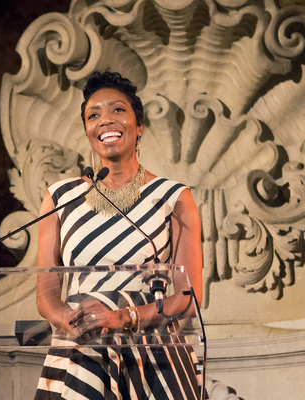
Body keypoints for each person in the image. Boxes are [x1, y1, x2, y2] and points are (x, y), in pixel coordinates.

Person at [34, 70, 204, 399]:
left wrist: (121, 317)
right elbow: (46, 295)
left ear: (139, 126)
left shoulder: (173, 197)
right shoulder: (58, 198)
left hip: (151, 356)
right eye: (93, 115)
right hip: (82, 349)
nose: (105, 121)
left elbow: (188, 297)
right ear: (87, 131)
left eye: (118, 110)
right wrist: (79, 323)